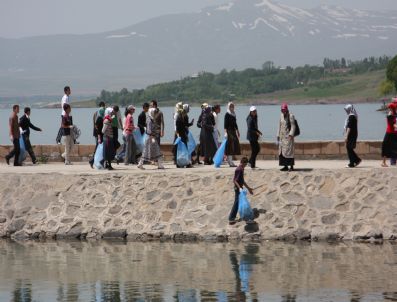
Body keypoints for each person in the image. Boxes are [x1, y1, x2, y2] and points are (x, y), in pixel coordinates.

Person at [228, 157, 254, 225]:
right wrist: (240, 188)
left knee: (239, 203)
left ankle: (233, 218)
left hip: (240, 188)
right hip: (238, 189)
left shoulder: (241, 169)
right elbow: (235, 180)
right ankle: (231, 218)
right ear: (243, 163)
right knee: (237, 203)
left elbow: (242, 181)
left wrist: (248, 188)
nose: (245, 166)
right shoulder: (239, 169)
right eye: (245, 164)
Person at [277, 103, 296, 172]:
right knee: (282, 152)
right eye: (282, 110)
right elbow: (279, 126)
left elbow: (293, 126)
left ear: (287, 109)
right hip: (282, 137)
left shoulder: (291, 116)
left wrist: (291, 134)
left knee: (289, 152)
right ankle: (285, 166)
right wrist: (278, 135)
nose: (283, 111)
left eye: (284, 110)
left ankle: (291, 166)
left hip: (288, 137)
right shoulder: (281, 116)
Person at [224, 102, 241, 167]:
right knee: (230, 146)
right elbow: (225, 124)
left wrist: (238, 131)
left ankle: (230, 161)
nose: (232, 107)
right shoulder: (227, 114)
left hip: (233, 131)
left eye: (233, 106)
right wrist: (225, 132)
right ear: (228, 107)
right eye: (231, 106)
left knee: (233, 146)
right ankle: (230, 162)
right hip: (229, 131)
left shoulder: (233, 114)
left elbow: (235, 124)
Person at [381, 103, 397, 167]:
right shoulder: (390, 114)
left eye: (390, 108)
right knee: (385, 146)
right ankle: (383, 162)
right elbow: (392, 124)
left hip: (392, 133)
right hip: (389, 132)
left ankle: (384, 162)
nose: (389, 109)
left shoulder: (394, 114)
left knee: (391, 147)